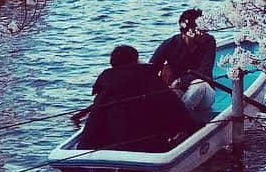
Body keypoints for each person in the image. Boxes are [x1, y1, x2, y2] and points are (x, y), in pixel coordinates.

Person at [74, 46, 205, 152]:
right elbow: (175, 109)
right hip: (148, 146)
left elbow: (94, 120)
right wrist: (194, 127)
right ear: (135, 60)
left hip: (110, 144)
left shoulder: (105, 85)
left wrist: (83, 148)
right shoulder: (150, 78)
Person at [150, 9, 217, 116]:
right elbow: (151, 69)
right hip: (178, 92)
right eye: (201, 30)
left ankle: (178, 116)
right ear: (189, 31)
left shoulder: (209, 41)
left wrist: (180, 81)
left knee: (200, 85)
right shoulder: (170, 44)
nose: (204, 33)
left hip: (204, 93)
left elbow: (205, 70)